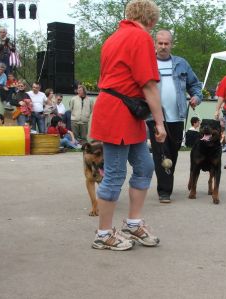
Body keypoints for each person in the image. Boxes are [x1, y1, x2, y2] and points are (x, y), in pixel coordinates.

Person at [89, 0, 166, 251]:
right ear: (151, 21)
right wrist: (160, 122)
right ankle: (103, 234)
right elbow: (149, 85)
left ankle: (132, 224)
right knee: (114, 175)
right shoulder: (141, 38)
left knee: (144, 167)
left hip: (123, 111)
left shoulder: (113, 38)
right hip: (118, 113)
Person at [146, 29, 202, 203]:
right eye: (160, 43)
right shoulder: (147, 63)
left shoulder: (181, 63)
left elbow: (195, 84)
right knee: (160, 153)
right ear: (155, 43)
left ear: (171, 44)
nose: (163, 46)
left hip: (177, 117)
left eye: (166, 43)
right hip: (154, 117)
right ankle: (164, 191)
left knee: (173, 153)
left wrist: (196, 97)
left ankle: (167, 180)